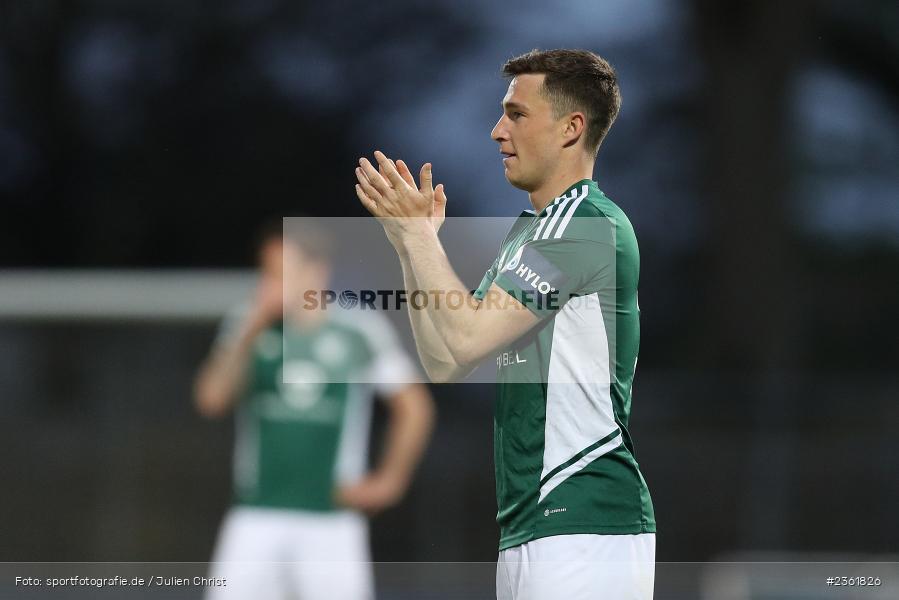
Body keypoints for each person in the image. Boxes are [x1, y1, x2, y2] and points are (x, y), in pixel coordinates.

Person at [354, 49, 655, 599]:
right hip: (533, 529)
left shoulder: (584, 224)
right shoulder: (532, 233)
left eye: (516, 114)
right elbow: (447, 361)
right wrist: (408, 245)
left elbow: (465, 334)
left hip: (584, 523)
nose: (496, 131)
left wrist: (423, 239)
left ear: (571, 128)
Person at [194, 222, 435, 600]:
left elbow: (414, 407)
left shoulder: (357, 330)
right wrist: (254, 326)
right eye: (267, 273)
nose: (271, 283)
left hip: (332, 519)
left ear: (316, 271)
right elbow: (211, 399)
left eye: (281, 272)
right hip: (257, 513)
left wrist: (389, 482)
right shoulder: (250, 326)